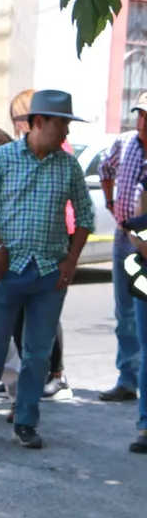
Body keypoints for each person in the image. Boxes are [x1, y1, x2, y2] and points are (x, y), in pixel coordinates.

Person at [0, 91, 92, 449]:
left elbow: (85, 217)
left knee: (37, 352)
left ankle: (27, 420)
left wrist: (71, 262)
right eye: (61, 123)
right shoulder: (2, 159)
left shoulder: (68, 166)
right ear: (38, 123)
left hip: (49, 272)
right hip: (7, 269)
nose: (65, 132)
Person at [100, 90, 147, 405]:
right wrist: (111, 202)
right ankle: (127, 378)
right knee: (125, 311)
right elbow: (105, 170)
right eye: (141, 114)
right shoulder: (125, 143)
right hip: (124, 240)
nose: (143, 121)